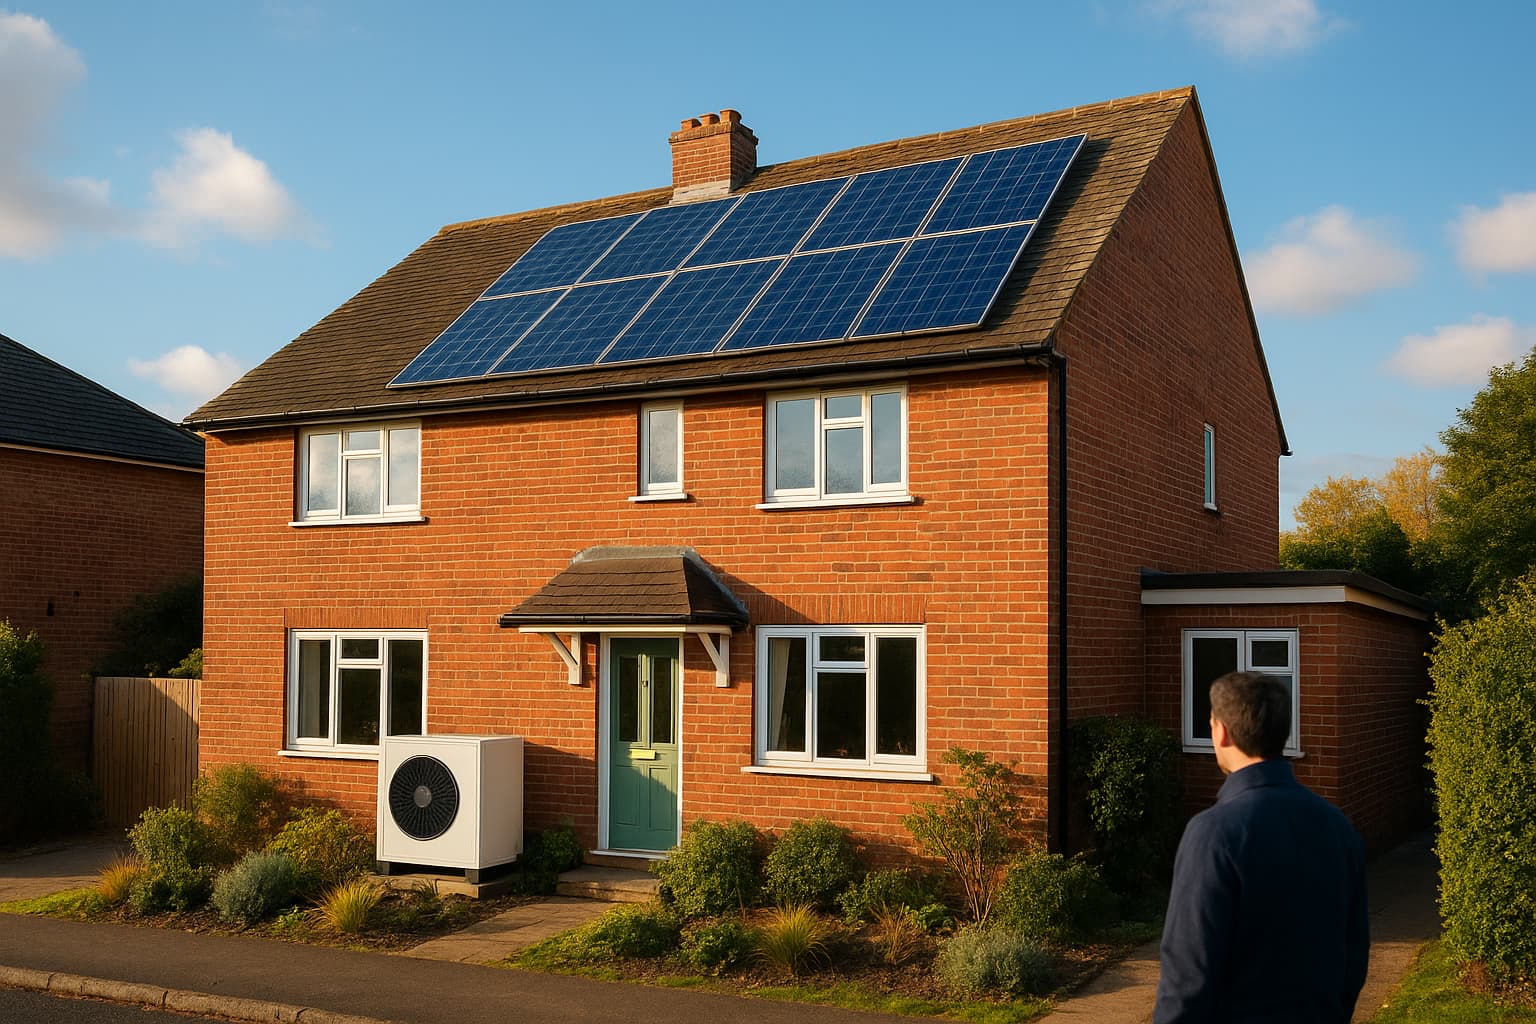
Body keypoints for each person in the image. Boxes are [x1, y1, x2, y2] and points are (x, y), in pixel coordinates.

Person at [1153, 671, 1369, 1024]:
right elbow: (1354, 953)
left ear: (1220, 730)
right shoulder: (1337, 825)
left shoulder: (1213, 833)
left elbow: (1188, 975)